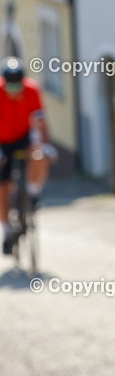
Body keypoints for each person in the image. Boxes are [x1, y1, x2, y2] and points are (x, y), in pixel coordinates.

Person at [0, 57, 57, 254]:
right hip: (2, 140)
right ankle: (6, 229)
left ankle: (33, 193)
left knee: (41, 155)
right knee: (3, 186)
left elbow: (41, 122)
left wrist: (44, 144)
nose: (14, 88)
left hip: (24, 137)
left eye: (18, 84)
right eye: (10, 84)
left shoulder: (31, 89)